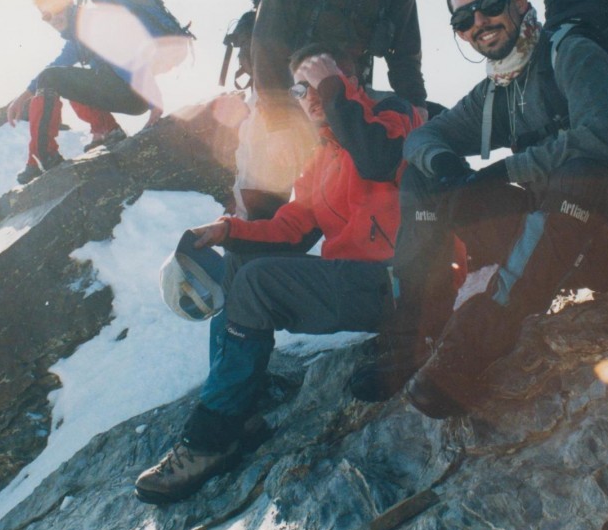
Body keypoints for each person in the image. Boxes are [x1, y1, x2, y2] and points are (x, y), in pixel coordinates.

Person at [351, 0, 608, 417]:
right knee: (425, 177)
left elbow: (603, 137)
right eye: (464, 19)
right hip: (560, 244)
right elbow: (424, 138)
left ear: (519, 2)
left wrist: (502, 171)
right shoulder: (499, 90)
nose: (479, 23)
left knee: (582, 171)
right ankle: (411, 339)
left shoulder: (570, 53)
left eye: (490, 6)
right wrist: (444, 166)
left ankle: (474, 346)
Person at [134, 43, 422, 504]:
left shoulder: (394, 117)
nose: (308, 96)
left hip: (403, 284)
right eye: (299, 87)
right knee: (241, 266)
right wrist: (225, 231)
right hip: (355, 282)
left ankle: (209, 440)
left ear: (353, 79)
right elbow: (291, 229)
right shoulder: (321, 158)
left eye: (320, 80)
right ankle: (238, 413)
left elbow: (378, 161)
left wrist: (334, 91)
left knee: (257, 283)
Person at [234, 0, 427, 221]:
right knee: (263, 201)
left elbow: (405, 60)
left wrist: (417, 118)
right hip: (285, 96)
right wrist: (276, 124)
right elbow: (267, 42)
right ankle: (243, 274)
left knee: (353, 207)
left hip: (347, 101)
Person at [6, 0, 164, 184]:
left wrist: (154, 101)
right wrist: (22, 97)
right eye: (46, 16)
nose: (53, 18)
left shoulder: (92, 23)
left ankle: (42, 155)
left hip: (132, 92)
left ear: (69, 2)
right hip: (125, 92)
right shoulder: (77, 37)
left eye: (55, 9)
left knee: (55, 78)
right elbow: (57, 67)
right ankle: (107, 131)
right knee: (64, 78)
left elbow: (130, 59)